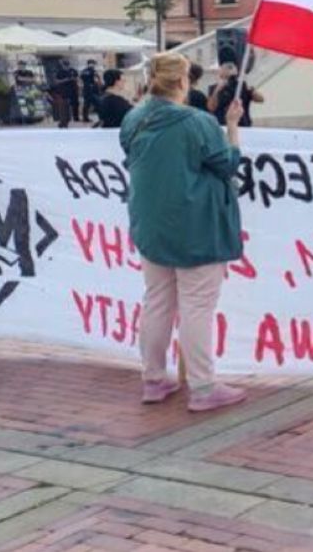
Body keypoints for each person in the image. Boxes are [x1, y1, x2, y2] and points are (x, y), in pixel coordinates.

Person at [120, 52, 247, 413]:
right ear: (182, 82)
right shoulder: (197, 121)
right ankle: (203, 386)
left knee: (157, 299)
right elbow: (227, 163)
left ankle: (154, 378)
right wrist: (232, 127)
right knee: (197, 305)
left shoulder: (134, 119)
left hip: (150, 223)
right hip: (195, 226)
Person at [208, 62, 265, 127]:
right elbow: (211, 108)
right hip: (222, 124)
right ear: (220, 74)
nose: (229, 80)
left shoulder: (242, 86)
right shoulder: (214, 88)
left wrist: (251, 90)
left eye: (231, 77)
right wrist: (217, 90)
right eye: (225, 77)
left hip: (242, 124)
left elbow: (261, 99)